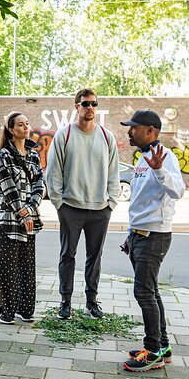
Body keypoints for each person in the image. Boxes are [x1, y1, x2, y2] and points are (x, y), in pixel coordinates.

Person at [119, 109, 185, 372]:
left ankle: (153, 351)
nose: (129, 131)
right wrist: (131, 233)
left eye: (134, 127)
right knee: (152, 292)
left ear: (150, 131)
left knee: (144, 293)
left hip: (154, 236)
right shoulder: (143, 158)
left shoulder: (163, 157)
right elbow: (140, 201)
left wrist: (160, 171)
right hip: (140, 234)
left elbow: (177, 190)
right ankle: (163, 345)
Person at [45, 88, 120, 320]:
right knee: (68, 254)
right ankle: (65, 301)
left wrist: (111, 203)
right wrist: (58, 202)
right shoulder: (64, 135)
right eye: (86, 104)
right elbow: (53, 172)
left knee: (94, 257)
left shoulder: (107, 137)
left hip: (100, 209)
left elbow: (113, 172)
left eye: (94, 104)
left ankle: (91, 301)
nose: (90, 108)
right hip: (71, 207)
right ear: (76, 107)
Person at [0, 112, 44, 324]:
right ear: (11, 130)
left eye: (27, 123)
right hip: (7, 220)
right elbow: (7, 186)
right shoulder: (2, 155)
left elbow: (40, 184)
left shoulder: (33, 155)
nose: (25, 127)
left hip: (29, 219)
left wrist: (30, 209)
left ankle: (25, 310)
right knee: (5, 267)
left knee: (26, 267)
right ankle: (4, 310)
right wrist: (22, 213)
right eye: (20, 125)